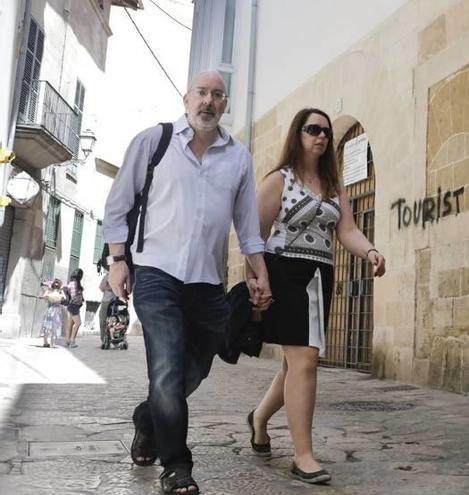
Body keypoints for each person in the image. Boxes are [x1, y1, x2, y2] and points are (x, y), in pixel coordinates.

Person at [103, 70, 272, 495]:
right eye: (202, 93)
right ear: (186, 99)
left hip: (208, 284)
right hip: (156, 273)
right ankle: (176, 466)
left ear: (225, 104)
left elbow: (248, 228)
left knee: (189, 374)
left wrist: (260, 275)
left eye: (218, 95)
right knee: (165, 369)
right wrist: (118, 261)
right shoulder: (153, 141)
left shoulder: (238, 157)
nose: (208, 102)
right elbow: (118, 206)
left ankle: (147, 420)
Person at [246, 108, 386, 485]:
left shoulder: (334, 186)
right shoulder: (279, 180)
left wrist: (370, 250)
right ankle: (302, 455)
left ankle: (259, 418)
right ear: (298, 134)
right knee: (306, 360)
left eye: (325, 131)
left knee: (296, 364)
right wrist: (258, 280)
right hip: (284, 272)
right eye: (313, 130)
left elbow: (348, 231)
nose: (321, 136)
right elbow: (252, 235)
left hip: (319, 276)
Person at [38, 279, 65, 348]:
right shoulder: (59, 293)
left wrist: (48, 289)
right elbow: (64, 298)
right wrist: (61, 290)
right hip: (56, 311)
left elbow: (44, 296)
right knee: (54, 327)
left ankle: (46, 342)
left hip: (51, 310)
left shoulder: (51, 292)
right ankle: (51, 343)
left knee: (48, 326)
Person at [63, 268, 85, 348]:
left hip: (72, 306)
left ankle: (67, 341)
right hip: (73, 306)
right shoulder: (74, 283)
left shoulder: (72, 283)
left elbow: (64, 287)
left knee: (70, 324)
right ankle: (72, 341)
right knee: (78, 323)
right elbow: (63, 287)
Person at [97, 269, 115, 349]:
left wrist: (111, 288)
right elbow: (101, 288)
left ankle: (114, 340)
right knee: (103, 321)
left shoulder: (118, 276)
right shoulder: (106, 277)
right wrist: (109, 288)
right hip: (106, 301)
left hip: (115, 302)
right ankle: (104, 340)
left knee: (114, 322)